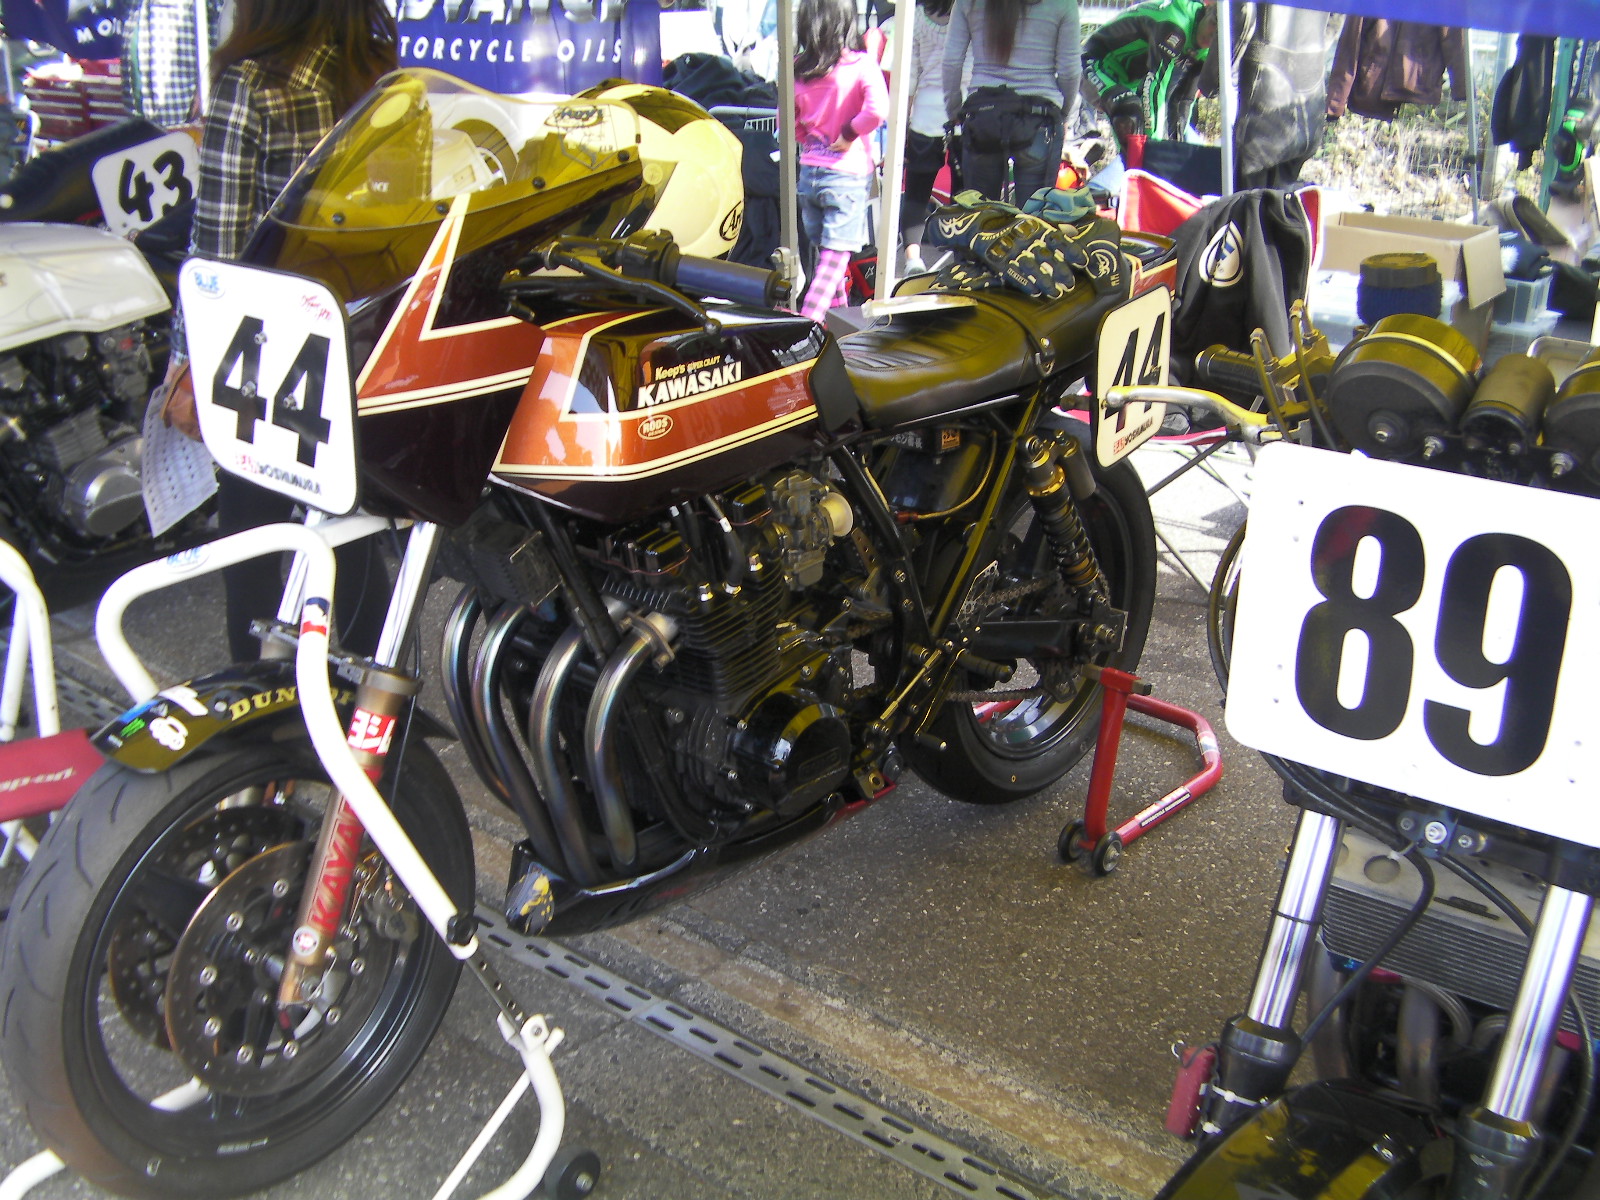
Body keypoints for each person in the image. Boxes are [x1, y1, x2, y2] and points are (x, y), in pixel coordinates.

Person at [163, 0, 395, 661]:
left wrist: (186, 366)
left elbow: (217, 253)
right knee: (349, 532)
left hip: (265, 356)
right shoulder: (381, 77)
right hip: (357, 346)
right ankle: (374, 705)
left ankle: (259, 706)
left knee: (253, 539)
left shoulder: (252, 85)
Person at [793, 0, 889, 322]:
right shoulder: (861, 65)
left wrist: (808, 137)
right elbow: (877, 110)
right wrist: (849, 133)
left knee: (828, 257)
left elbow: (787, 118)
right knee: (834, 259)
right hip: (846, 175)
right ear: (847, 22)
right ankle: (807, 322)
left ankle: (839, 319)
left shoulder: (797, 68)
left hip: (810, 172)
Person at [941, 0, 1080, 206]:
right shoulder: (1063, 4)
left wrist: (954, 111)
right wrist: (1063, 114)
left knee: (981, 214)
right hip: (1040, 119)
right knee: (1033, 218)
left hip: (984, 118)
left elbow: (951, 62)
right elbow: (1070, 71)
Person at [1081, 0, 1215, 159]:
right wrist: (1156, 151)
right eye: (1213, 24)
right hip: (1093, 62)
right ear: (1208, 8)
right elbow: (1155, 87)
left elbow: (1183, 100)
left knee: (1169, 140)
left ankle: (1133, 168)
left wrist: (1175, 148)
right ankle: (1133, 168)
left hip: (1128, 79)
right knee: (1130, 111)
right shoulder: (1175, 24)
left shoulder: (1210, 50)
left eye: (1218, 36)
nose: (1211, 37)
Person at [902, 0, 954, 273]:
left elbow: (909, 76)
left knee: (916, 194)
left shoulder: (916, 17)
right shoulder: (970, 11)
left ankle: (913, 260)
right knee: (965, 196)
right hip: (964, 113)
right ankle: (962, 262)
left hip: (924, 114)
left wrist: (902, 124)